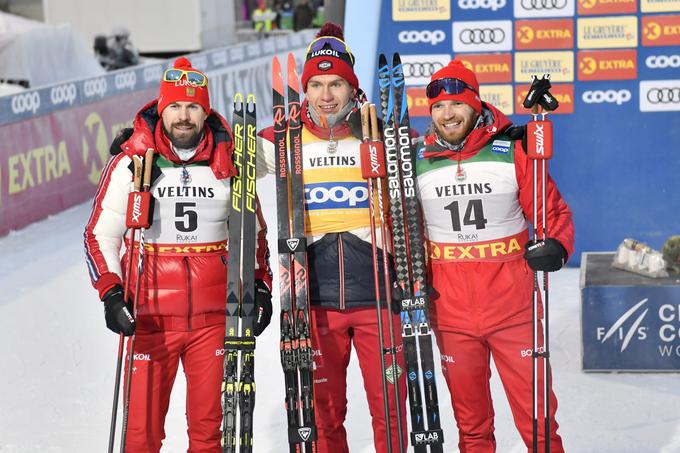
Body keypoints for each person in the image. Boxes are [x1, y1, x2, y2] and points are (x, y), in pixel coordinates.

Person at [84, 56, 273, 452]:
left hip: (213, 321)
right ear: (160, 108)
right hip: (148, 319)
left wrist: (262, 286)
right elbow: (99, 235)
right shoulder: (132, 162)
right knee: (140, 435)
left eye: (192, 106)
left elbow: (252, 232)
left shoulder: (231, 162)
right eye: (174, 106)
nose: (183, 116)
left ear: (205, 111)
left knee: (208, 436)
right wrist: (111, 293)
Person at [257, 23, 406, 453]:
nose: (326, 95)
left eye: (336, 83)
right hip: (312, 301)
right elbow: (226, 157)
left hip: (379, 297)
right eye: (317, 84)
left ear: (350, 86)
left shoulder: (379, 134)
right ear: (304, 89)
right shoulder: (284, 140)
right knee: (322, 417)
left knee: (392, 411)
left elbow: (438, 150)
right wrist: (137, 146)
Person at [413, 60, 574, 452]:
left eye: (455, 104)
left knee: (538, 424)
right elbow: (403, 229)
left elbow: (552, 214)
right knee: (472, 428)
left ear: (475, 103)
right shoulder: (416, 159)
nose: (447, 114)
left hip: (513, 311)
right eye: (437, 107)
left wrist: (556, 244)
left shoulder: (511, 149)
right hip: (450, 316)